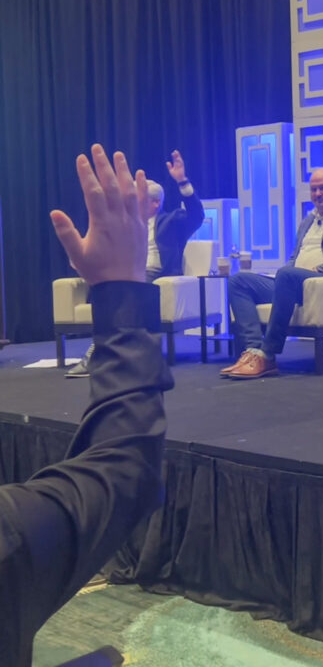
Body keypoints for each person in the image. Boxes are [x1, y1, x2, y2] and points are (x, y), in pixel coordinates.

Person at [0, 145, 172, 665]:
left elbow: (191, 218)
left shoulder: (175, 223)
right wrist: (120, 288)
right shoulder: (10, 535)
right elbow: (125, 469)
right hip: (128, 275)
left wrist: (182, 190)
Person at [222, 168, 323, 379]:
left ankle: (268, 354)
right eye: (314, 189)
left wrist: (319, 269)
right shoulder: (307, 221)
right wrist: (284, 274)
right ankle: (253, 351)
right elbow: (295, 257)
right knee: (239, 280)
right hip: (292, 284)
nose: (318, 194)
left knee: (287, 274)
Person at [65, 148, 203, 377]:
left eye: (139, 198)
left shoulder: (172, 222)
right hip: (123, 271)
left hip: (152, 273)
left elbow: (197, 216)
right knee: (108, 286)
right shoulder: (123, 224)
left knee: (123, 289)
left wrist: (182, 181)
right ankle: (109, 354)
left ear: (155, 203)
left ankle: (95, 355)